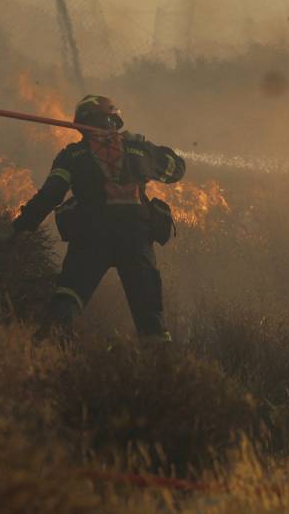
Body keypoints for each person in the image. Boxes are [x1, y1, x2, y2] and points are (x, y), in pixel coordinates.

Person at [12, 95, 185, 342]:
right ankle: (163, 373)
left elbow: (50, 196)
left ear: (80, 125)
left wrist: (20, 226)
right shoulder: (138, 149)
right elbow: (176, 170)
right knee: (150, 317)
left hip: (90, 238)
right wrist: (152, 150)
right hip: (135, 239)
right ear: (113, 120)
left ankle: (44, 360)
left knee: (68, 298)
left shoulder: (71, 156)